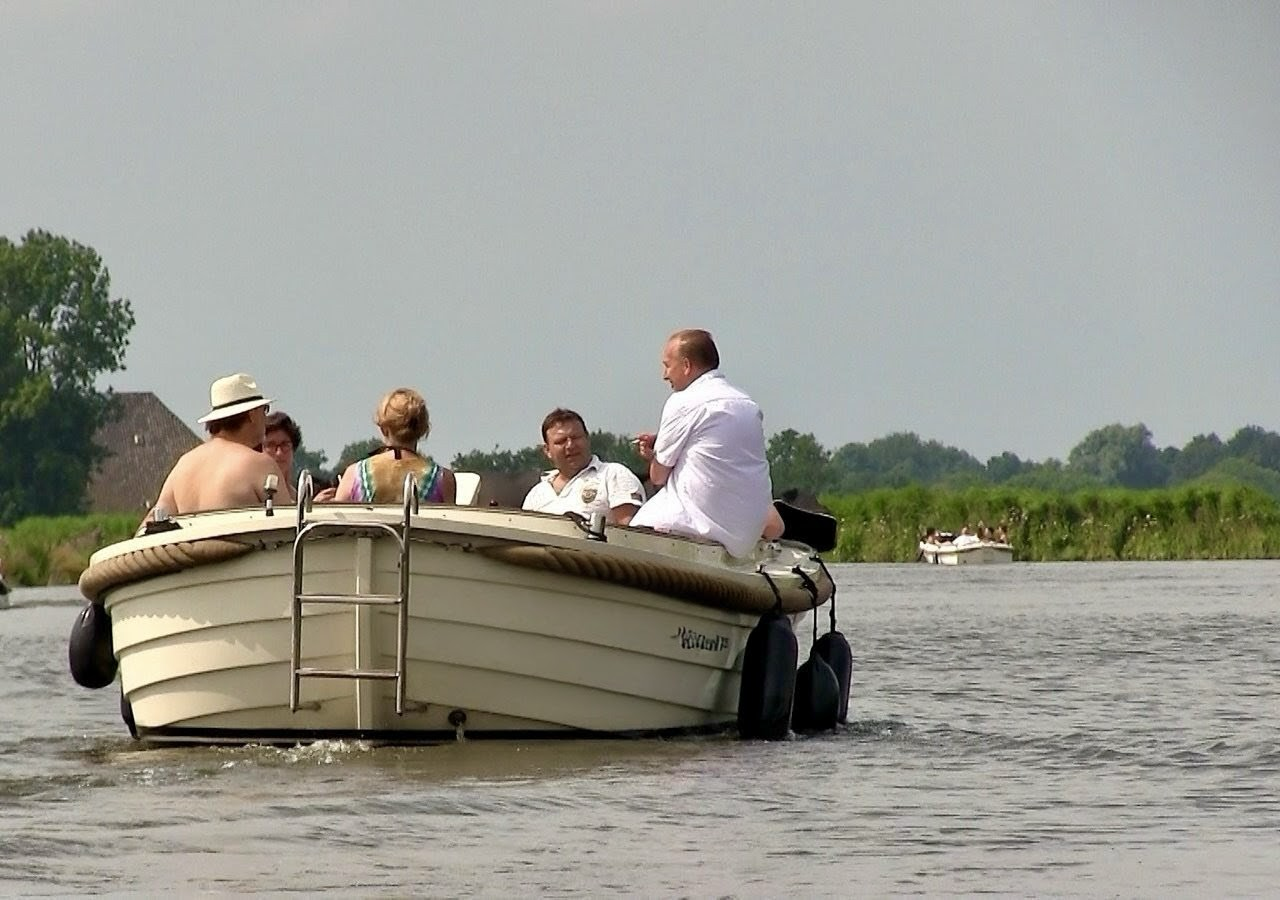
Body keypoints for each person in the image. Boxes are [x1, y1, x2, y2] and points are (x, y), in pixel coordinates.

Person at [631, 329, 784, 558]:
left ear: (686, 366)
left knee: (632, 531)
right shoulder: (747, 404)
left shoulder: (682, 402)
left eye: (667, 366)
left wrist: (653, 456)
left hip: (699, 524)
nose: (664, 375)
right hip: (746, 532)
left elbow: (658, 477)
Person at [148, 372, 292, 519]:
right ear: (252, 414)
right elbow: (289, 524)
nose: (265, 418)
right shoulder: (259, 465)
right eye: (265, 410)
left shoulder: (182, 467)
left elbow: (151, 522)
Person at [521, 408, 646, 525]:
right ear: (547, 450)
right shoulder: (536, 494)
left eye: (576, 438)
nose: (570, 445)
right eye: (561, 441)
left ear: (587, 439)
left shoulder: (613, 474)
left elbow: (630, 533)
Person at [333, 388, 457, 504]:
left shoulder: (355, 474)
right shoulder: (443, 479)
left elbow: (335, 519)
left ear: (384, 429)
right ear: (423, 429)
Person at [262, 410, 302, 484]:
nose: (279, 453)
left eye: (285, 445)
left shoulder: (301, 491)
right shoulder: (250, 489)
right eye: (271, 445)